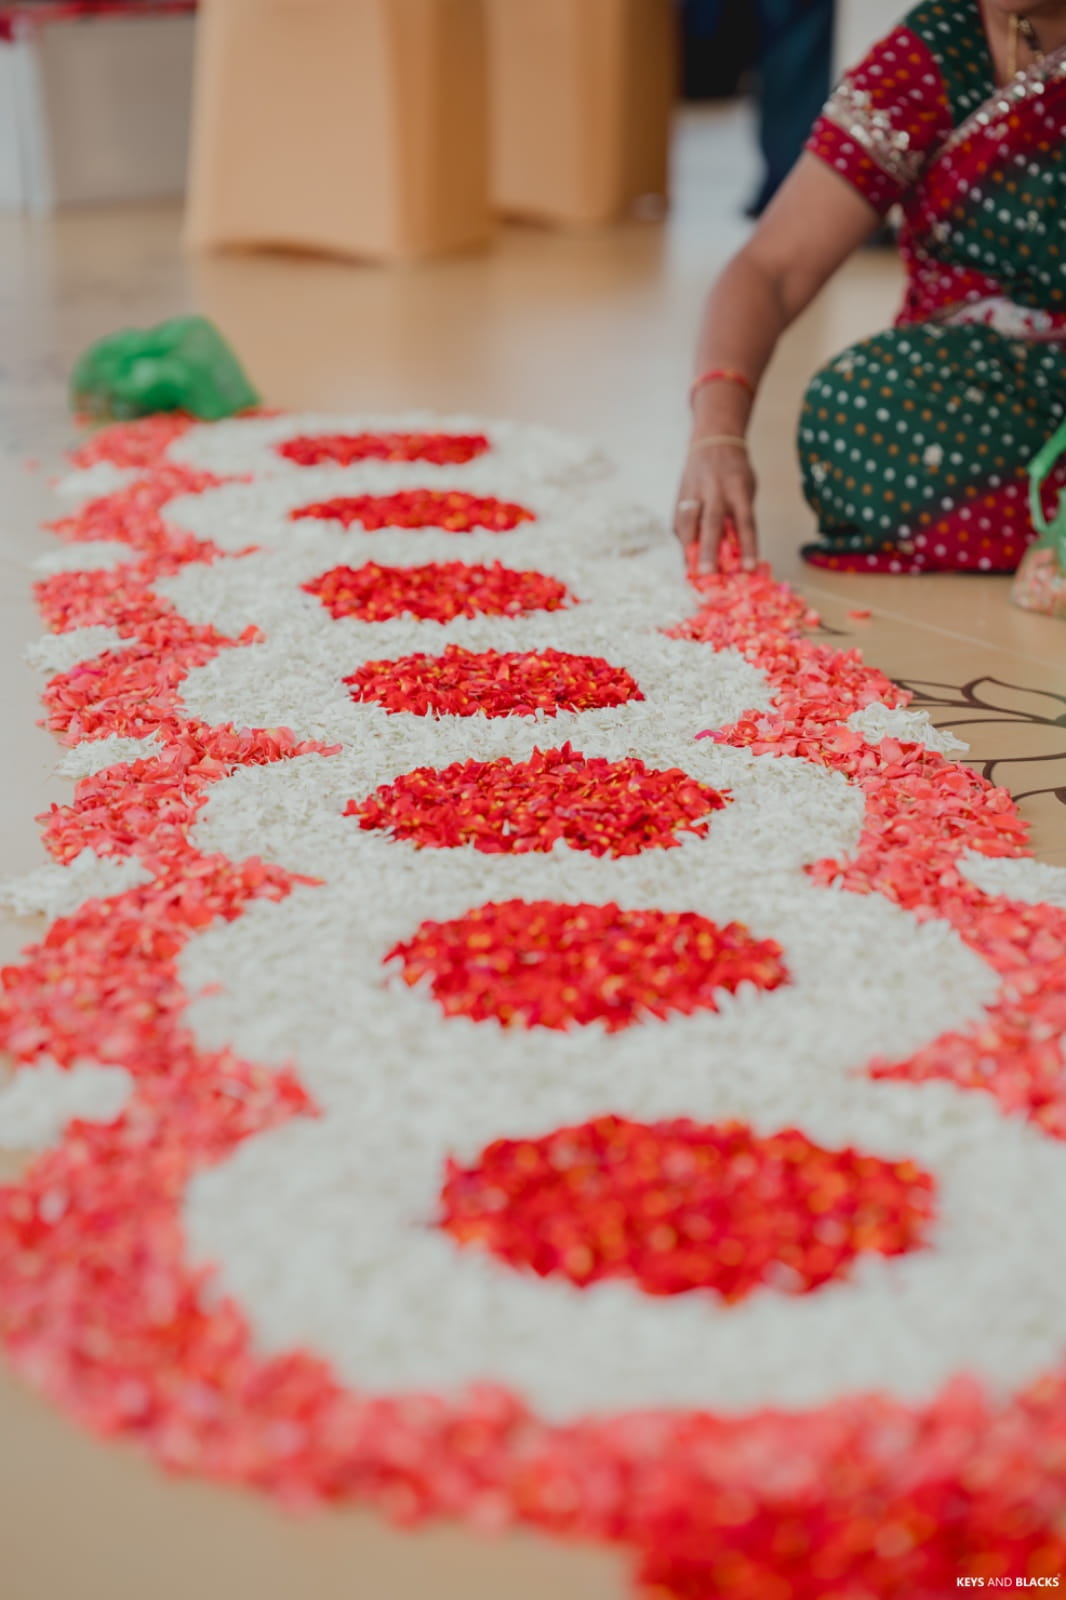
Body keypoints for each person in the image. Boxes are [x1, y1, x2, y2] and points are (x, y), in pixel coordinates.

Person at [674, 0, 1066, 576]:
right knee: (853, 411)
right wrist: (716, 437)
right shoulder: (934, 54)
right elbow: (772, 266)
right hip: (999, 391)